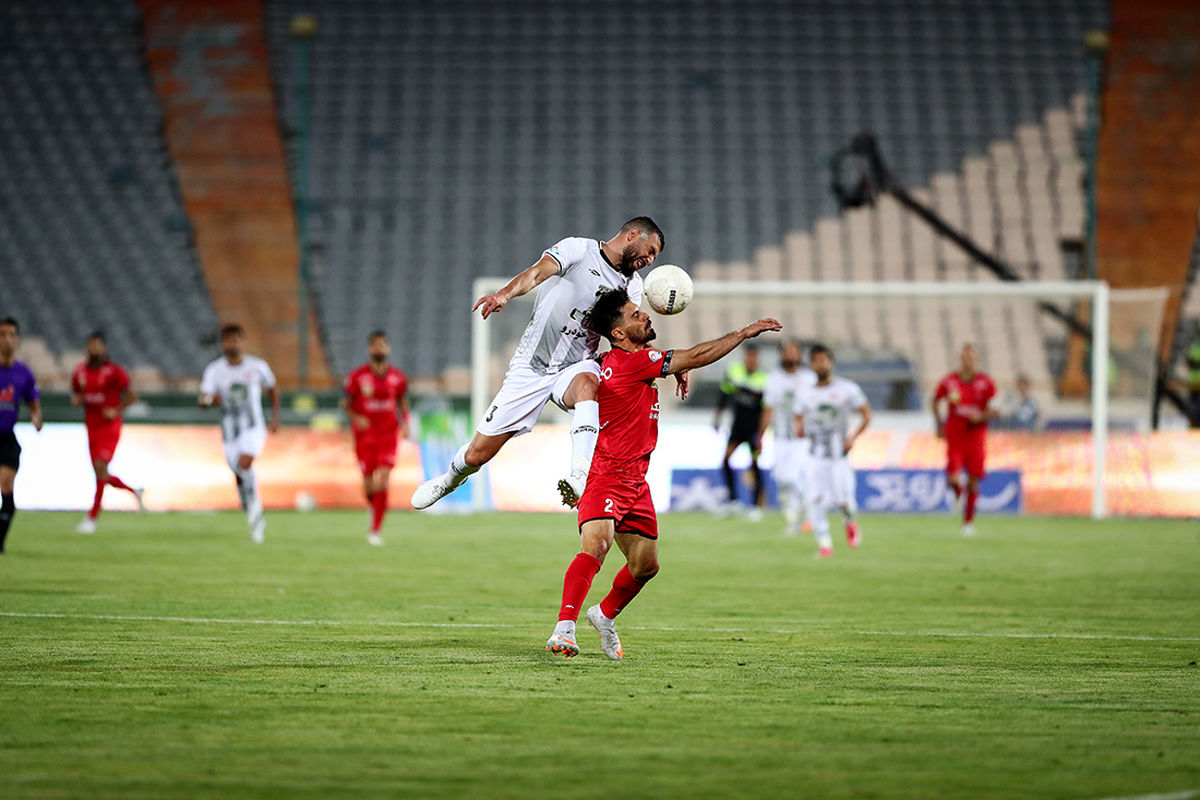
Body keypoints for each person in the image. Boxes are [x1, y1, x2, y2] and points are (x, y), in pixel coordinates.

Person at [545, 287, 781, 659]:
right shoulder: (634, 362)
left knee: (646, 565)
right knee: (597, 545)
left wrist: (674, 371)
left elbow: (670, 366)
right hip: (605, 472)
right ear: (618, 333)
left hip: (636, 480)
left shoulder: (630, 362)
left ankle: (603, 615)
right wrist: (742, 333)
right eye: (634, 315)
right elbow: (696, 355)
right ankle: (564, 628)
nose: (645, 316)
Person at [411, 217, 664, 511]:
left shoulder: (633, 287)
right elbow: (536, 274)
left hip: (576, 365)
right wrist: (504, 293)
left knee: (587, 386)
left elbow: (627, 336)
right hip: (531, 368)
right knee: (477, 456)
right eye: (650, 250)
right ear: (633, 234)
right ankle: (451, 479)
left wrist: (663, 364)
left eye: (654, 256)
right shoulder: (578, 250)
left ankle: (578, 476)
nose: (650, 259)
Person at [199, 324, 280, 543]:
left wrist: (275, 418)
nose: (231, 344)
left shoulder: (257, 367)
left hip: (253, 428)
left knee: (244, 464)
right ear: (222, 343)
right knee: (239, 474)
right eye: (227, 340)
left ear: (242, 342)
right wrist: (210, 400)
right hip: (229, 432)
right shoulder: (215, 370)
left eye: (235, 339)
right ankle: (250, 506)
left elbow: (272, 387)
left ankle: (256, 513)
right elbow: (203, 398)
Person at [794, 344, 870, 558]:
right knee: (814, 499)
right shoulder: (805, 393)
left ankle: (850, 521)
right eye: (816, 360)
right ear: (812, 365)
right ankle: (825, 544)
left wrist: (853, 438)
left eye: (824, 359)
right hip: (814, 455)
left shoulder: (847, 389)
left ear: (831, 363)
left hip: (838, 455)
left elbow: (866, 414)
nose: (821, 364)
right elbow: (797, 417)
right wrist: (798, 429)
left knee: (843, 501)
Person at [70, 331, 145, 534]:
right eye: (90, 345)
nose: (93, 349)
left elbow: (132, 395)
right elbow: (76, 394)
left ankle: (92, 518)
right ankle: (134, 491)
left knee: (100, 466)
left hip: (109, 426)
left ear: (104, 347)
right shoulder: (80, 372)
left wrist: (116, 409)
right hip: (91, 426)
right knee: (99, 472)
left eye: (97, 345)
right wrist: (77, 399)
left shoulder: (114, 371)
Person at [341, 330, 409, 546]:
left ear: (388, 348)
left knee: (383, 479)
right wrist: (356, 417)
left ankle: (375, 530)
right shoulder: (357, 376)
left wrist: (405, 421)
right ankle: (375, 508)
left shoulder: (397, 377)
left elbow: (402, 402)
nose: (379, 348)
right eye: (375, 345)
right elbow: (345, 404)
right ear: (369, 349)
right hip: (365, 438)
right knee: (369, 486)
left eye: (383, 345)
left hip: (388, 436)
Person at [932, 343, 997, 537]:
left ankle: (967, 522)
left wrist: (982, 416)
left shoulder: (986, 383)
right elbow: (935, 400)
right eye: (965, 357)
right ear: (961, 359)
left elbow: (995, 409)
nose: (968, 361)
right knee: (952, 477)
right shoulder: (949, 381)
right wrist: (938, 424)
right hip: (955, 436)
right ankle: (958, 494)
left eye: (972, 358)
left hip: (976, 438)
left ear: (977, 360)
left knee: (973, 481)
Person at [758, 340, 816, 536]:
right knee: (782, 479)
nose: (790, 355)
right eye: (787, 352)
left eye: (794, 351)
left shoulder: (809, 378)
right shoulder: (773, 379)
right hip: (781, 437)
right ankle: (794, 519)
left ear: (799, 355)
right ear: (781, 355)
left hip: (803, 438)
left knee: (796, 477)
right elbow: (768, 409)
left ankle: (809, 514)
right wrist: (761, 435)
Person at [0, 317, 43, 554]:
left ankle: (0, 541)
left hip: (6, 437)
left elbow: (33, 403)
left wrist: (37, 418)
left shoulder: (23, 373)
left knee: (6, 486)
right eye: (2, 334)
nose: (6, 339)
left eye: (10, 334)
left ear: (16, 339)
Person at [712, 344, 768, 519]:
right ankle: (733, 501)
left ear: (757, 360)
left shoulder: (763, 379)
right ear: (745, 358)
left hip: (753, 429)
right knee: (726, 460)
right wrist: (718, 417)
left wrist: (762, 433)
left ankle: (756, 506)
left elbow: (766, 409)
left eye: (754, 358)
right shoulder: (734, 372)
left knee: (754, 465)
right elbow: (725, 395)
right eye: (748, 357)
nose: (751, 361)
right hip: (737, 426)